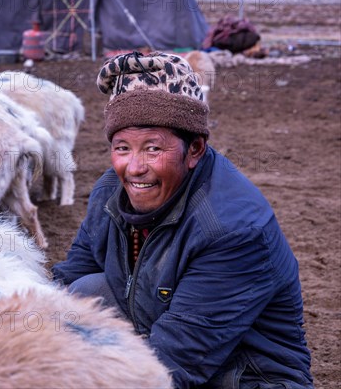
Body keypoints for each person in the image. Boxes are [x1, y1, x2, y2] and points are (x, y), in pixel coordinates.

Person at [51, 51, 313, 389]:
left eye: (153, 149)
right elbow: (69, 278)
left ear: (195, 149)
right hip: (162, 339)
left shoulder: (231, 229)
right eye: (122, 148)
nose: (134, 167)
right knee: (81, 293)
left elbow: (177, 360)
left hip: (243, 377)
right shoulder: (110, 193)